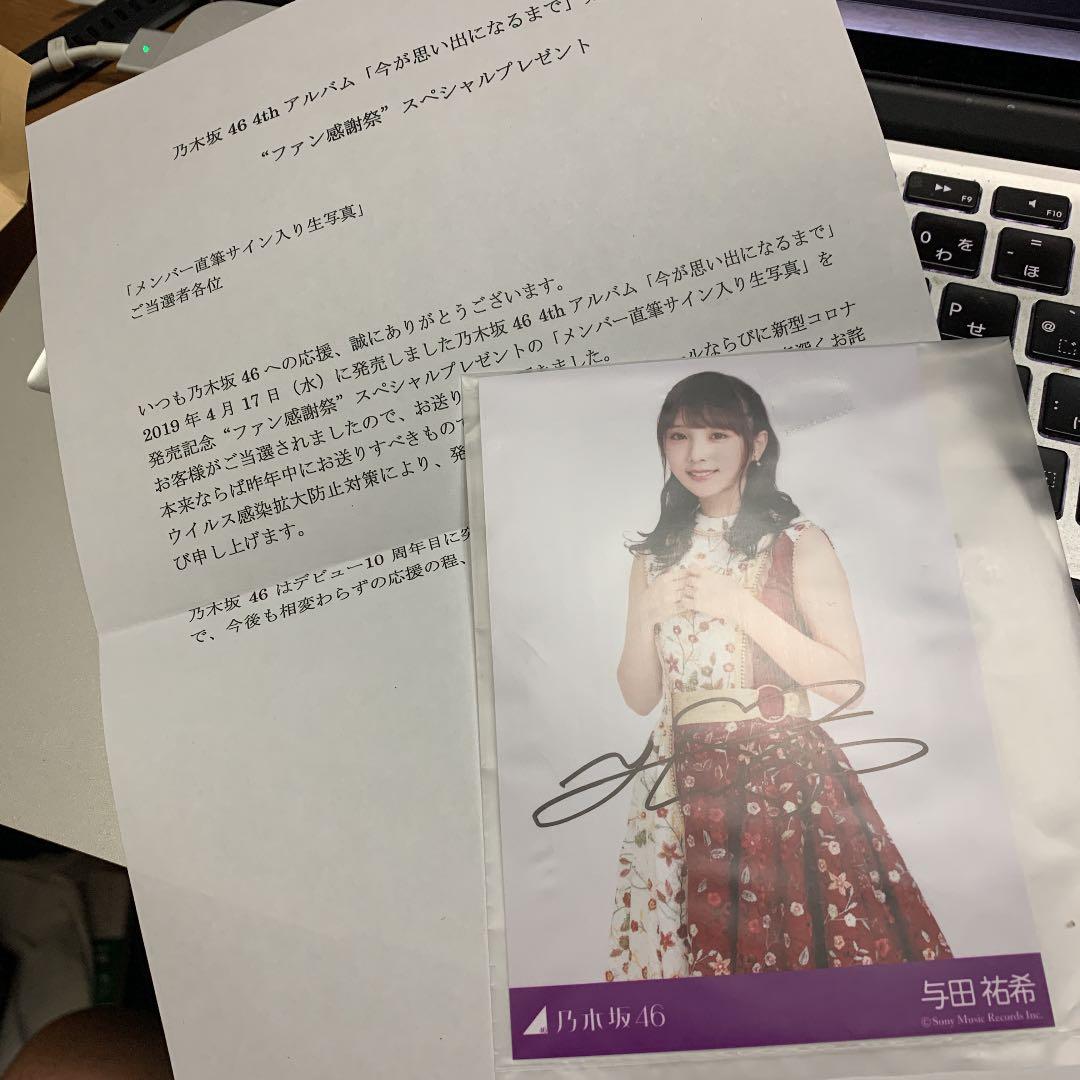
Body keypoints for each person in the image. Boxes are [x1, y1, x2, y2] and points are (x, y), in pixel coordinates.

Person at [605, 371, 950, 981]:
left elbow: (845, 682)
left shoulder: (797, 542)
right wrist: (647, 616)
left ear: (757, 444)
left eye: (717, 434)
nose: (697, 454)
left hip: (781, 776)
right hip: (676, 776)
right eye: (680, 436)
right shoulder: (653, 557)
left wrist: (740, 607)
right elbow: (639, 697)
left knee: (796, 955)